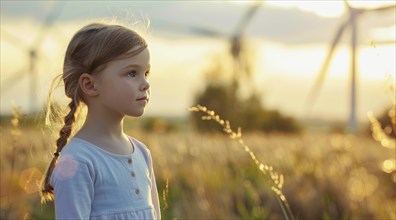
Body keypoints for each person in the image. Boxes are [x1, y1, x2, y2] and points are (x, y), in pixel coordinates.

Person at [40, 22, 161, 220]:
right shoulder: (78, 161)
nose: (146, 84)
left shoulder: (142, 153)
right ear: (90, 84)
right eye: (132, 73)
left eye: (146, 73)